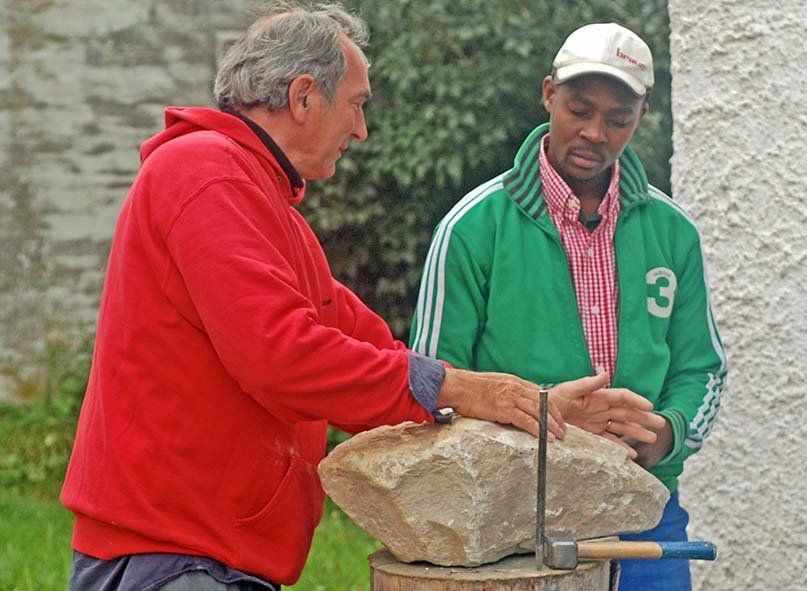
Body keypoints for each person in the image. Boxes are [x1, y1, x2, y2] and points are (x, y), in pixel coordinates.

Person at [60, 6, 664, 591]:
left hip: (201, 552)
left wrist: (532, 407)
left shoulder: (259, 203)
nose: (360, 130)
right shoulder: (206, 173)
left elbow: (373, 349)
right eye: (356, 104)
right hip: (175, 556)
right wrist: (470, 391)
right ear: (303, 97)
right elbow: (282, 356)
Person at [411, 22, 727, 591]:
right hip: (513, 516)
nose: (594, 133)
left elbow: (702, 368)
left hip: (645, 510)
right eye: (579, 110)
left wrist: (665, 434)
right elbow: (433, 386)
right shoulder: (472, 227)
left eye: (618, 119)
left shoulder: (673, 231)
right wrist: (549, 420)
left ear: (642, 115)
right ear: (548, 93)